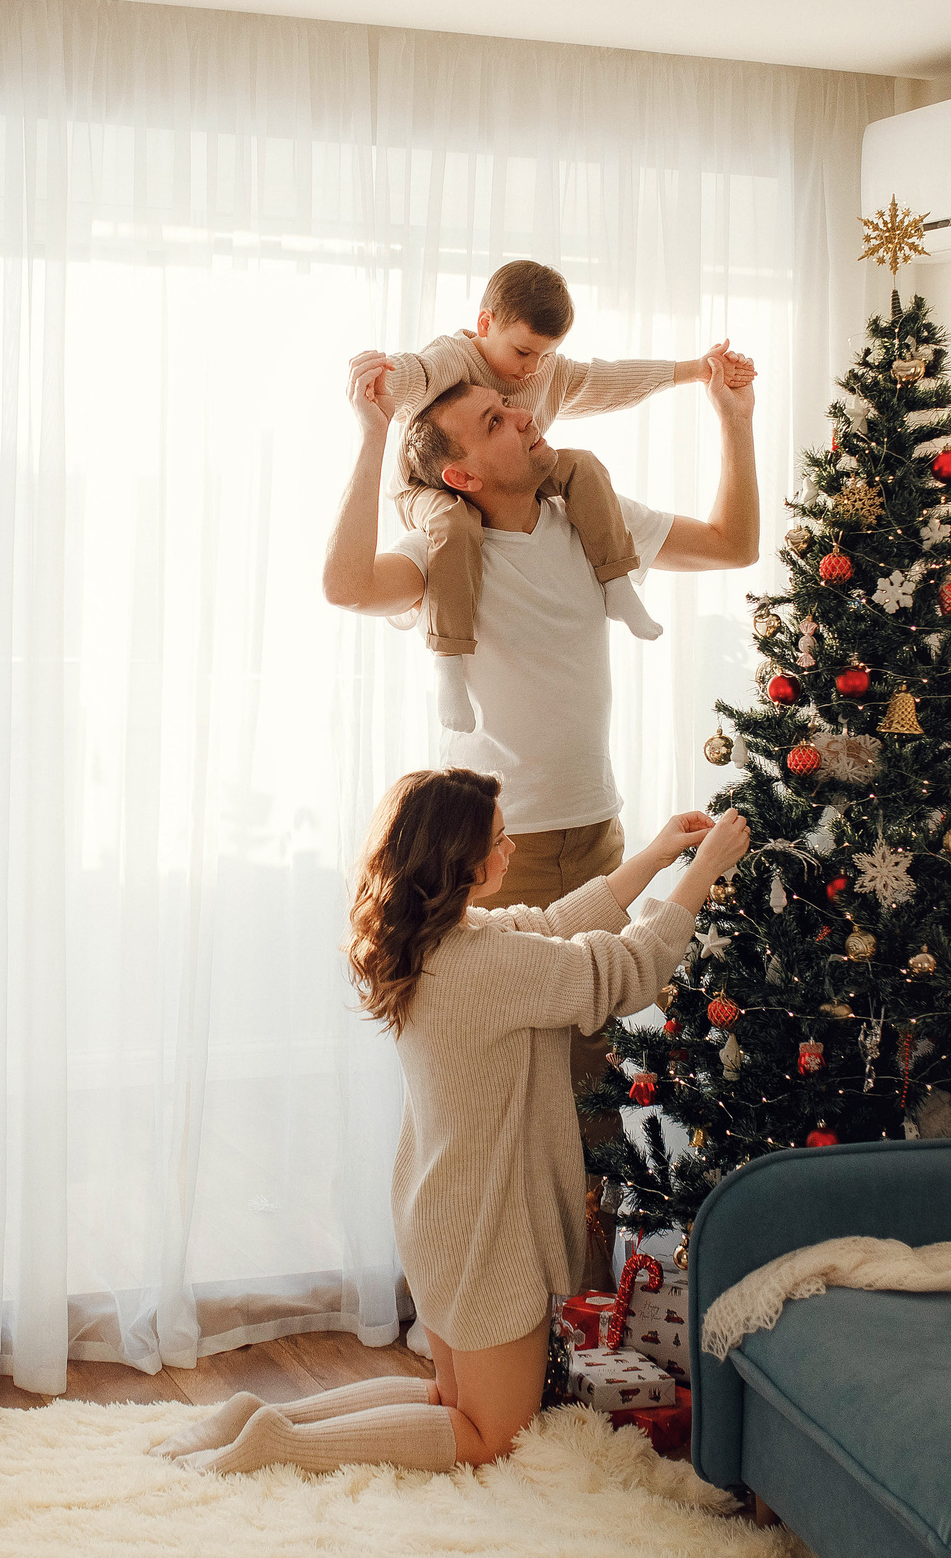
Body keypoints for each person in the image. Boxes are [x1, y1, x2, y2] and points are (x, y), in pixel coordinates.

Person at [155, 767, 751, 1473]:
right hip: (489, 1231)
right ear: (458, 861)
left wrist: (654, 856)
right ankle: (285, 1444)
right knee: (490, 1434)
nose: (508, 850)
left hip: (438, 1210)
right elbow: (625, 967)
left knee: (448, 1397)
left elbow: (550, 926)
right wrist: (704, 871)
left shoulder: (431, 942)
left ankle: (259, 1415)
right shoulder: (488, 963)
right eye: (497, 842)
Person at [323, 336, 762, 1290]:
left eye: (510, 406)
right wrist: (368, 438)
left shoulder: (589, 522)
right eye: (494, 419)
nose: (525, 413)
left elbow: (734, 544)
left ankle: (585, 1312)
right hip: (498, 860)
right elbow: (347, 586)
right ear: (461, 473)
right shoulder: (449, 552)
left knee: (594, 1101)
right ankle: (474, 1302)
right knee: (498, 1098)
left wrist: (734, 421)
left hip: (599, 838)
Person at [373, 259, 754, 731]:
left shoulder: (548, 386)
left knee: (585, 465)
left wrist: (696, 371)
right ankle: (448, 662)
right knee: (455, 524)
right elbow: (417, 374)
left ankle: (618, 583)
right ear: (484, 324)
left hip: (593, 795)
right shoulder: (452, 359)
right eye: (522, 352)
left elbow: (610, 380)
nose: (532, 373)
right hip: (425, 491)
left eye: (545, 356)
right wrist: (382, 379)